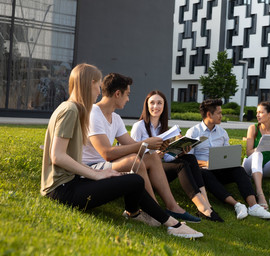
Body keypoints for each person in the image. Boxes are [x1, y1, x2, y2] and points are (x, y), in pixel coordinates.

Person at [41, 64, 202, 239]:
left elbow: (134, 147)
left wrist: (157, 147)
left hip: (71, 182)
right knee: (134, 171)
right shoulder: (71, 110)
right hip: (61, 189)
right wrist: (95, 174)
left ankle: (161, 216)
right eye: (98, 86)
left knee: (135, 179)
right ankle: (171, 223)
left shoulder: (75, 109)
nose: (99, 90)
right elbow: (57, 156)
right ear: (91, 83)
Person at [82, 73, 200, 223]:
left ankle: (172, 207)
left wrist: (159, 146)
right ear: (118, 94)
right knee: (133, 161)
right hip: (90, 168)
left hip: (104, 165)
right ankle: (156, 211)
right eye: (127, 95)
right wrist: (145, 144)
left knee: (151, 157)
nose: (128, 99)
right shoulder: (93, 113)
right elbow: (106, 153)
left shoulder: (116, 118)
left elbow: (132, 146)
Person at [131, 90, 223, 222]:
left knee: (189, 158)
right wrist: (154, 155)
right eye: (152, 103)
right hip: (145, 172)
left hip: (161, 172)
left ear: (164, 106)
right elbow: (134, 155)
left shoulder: (165, 128)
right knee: (182, 165)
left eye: (159, 103)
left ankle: (206, 203)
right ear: (146, 105)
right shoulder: (138, 127)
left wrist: (178, 151)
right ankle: (203, 208)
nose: (155, 106)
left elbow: (168, 158)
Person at [186, 98, 270, 220]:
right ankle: (237, 205)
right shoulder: (193, 132)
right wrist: (206, 163)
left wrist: (229, 160)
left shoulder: (222, 133)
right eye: (219, 113)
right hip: (204, 170)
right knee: (204, 174)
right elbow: (189, 159)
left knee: (239, 169)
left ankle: (254, 206)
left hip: (221, 169)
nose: (221, 116)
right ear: (209, 114)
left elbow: (226, 154)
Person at [243, 102, 270, 212]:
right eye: (257, 112)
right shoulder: (253, 128)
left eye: (261, 112)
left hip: (265, 167)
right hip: (250, 166)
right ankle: (260, 194)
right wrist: (259, 148)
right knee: (257, 154)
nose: (258, 115)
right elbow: (248, 153)